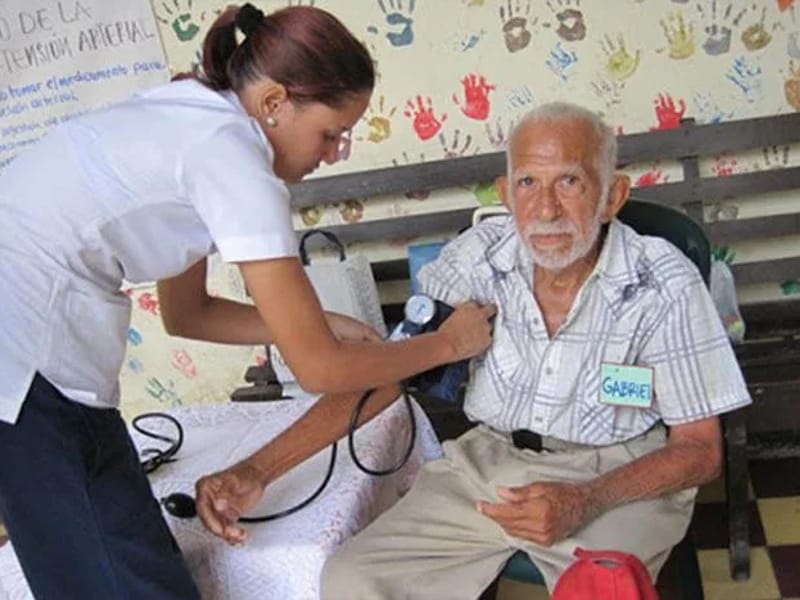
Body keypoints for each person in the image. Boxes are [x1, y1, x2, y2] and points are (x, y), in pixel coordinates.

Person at [0, 4, 494, 599]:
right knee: (113, 581)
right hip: (23, 367)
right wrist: (445, 344)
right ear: (274, 102)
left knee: (131, 564)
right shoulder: (233, 157)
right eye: (331, 133)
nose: (335, 153)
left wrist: (323, 322)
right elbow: (319, 370)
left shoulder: (194, 116)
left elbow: (189, 314)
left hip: (38, 360)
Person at [317, 102, 752, 598]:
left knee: (604, 589)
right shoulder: (480, 256)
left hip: (616, 471)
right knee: (351, 580)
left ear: (611, 196)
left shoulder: (661, 281)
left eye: (570, 182)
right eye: (528, 183)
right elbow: (393, 370)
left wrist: (586, 499)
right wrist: (260, 471)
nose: (546, 210)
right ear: (506, 194)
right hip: (489, 463)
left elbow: (700, 450)